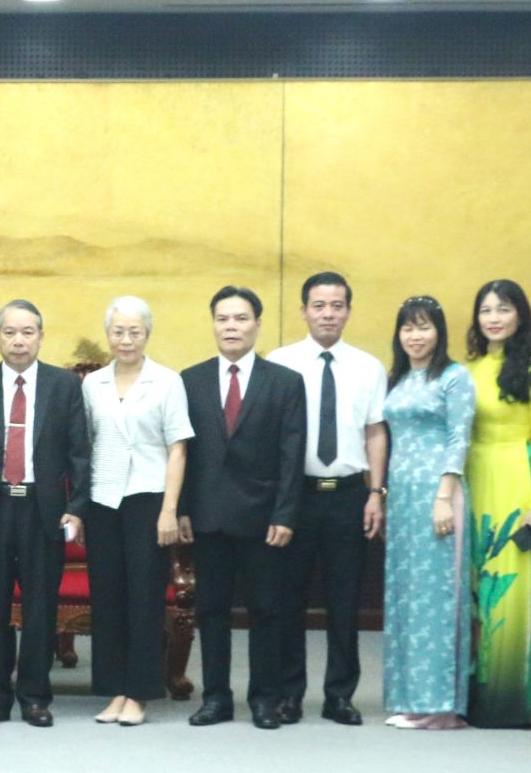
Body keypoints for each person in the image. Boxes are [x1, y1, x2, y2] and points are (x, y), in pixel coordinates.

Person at [0, 299, 90, 728]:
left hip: (42, 510)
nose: (18, 340)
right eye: (10, 332)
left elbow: (79, 454)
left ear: (41, 337)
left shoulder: (63, 386)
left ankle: (34, 696)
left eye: (27, 332)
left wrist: (76, 508)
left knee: (39, 607)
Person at [178, 286, 302, 730]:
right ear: (213, 324)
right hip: (208, 518)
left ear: (257, 324)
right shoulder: (189, 380)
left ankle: (265, 700)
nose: (231, 326)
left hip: (265, 520)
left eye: (241, 318)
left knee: (267, 611)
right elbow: (183, 453)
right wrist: (183, 510)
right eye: (223, 319)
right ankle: (216, 698)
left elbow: (293, 455)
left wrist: (285, 514)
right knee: (211, 612)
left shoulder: (285, 381)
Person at [268, 272, 388, 726]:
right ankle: (289, 694)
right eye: (319, 305)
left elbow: (375, 432)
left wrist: (376, 493)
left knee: (345, 600)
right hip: (295, 495)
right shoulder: (280, 363)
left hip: (348, 496)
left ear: (349, 311)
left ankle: (340, 695)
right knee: (288, 600)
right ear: (303, 311)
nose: (328, 313)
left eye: (337, 305)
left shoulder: (368, 367)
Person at [80, 295, 192, 727]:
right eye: (118, 331)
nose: (126, 340)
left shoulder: (167, 382)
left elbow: (178, 448)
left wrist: (169, 509)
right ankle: (115, 690)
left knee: (144, 599)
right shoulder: (93, 384)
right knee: (108, 600)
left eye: (134, 332)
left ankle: (141, 693)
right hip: (104, 500)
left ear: (147, 334)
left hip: (148, 499)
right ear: (107, 335)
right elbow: (84, 449)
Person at [378, 296, 475, 730]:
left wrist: (444, 493)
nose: (415, 336)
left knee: (439, 599)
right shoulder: (397, 377)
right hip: (402, 497)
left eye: (424, 327)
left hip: (440, 494)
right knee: (406, 596)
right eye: (407, 328)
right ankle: (409, 696)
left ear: (440, 332)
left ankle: (439, 705)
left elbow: (459, 436)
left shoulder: (454, 378)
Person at [462, 278, 531, 728]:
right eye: (486, 311)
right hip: (475, 481)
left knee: (515, 593)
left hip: (519, 481)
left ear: (520, 315)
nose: (493, 318)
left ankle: (517, 699)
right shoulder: (471, 368)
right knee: (480, 591)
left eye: (502, 309)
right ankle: (479, 694)